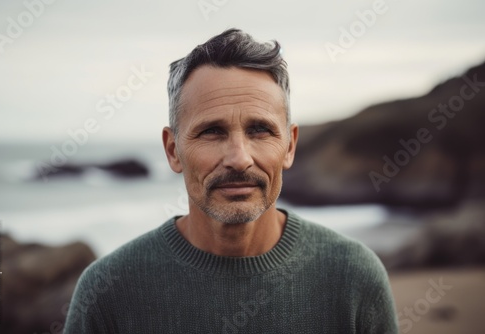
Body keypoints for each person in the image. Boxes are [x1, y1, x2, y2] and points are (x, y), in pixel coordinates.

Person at [64, 28, 398, 334]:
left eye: (260, 130)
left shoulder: (354, 277)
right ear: (173, 150)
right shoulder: (108, 290)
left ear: (290, 146)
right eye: (211, 131)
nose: (239, 158)